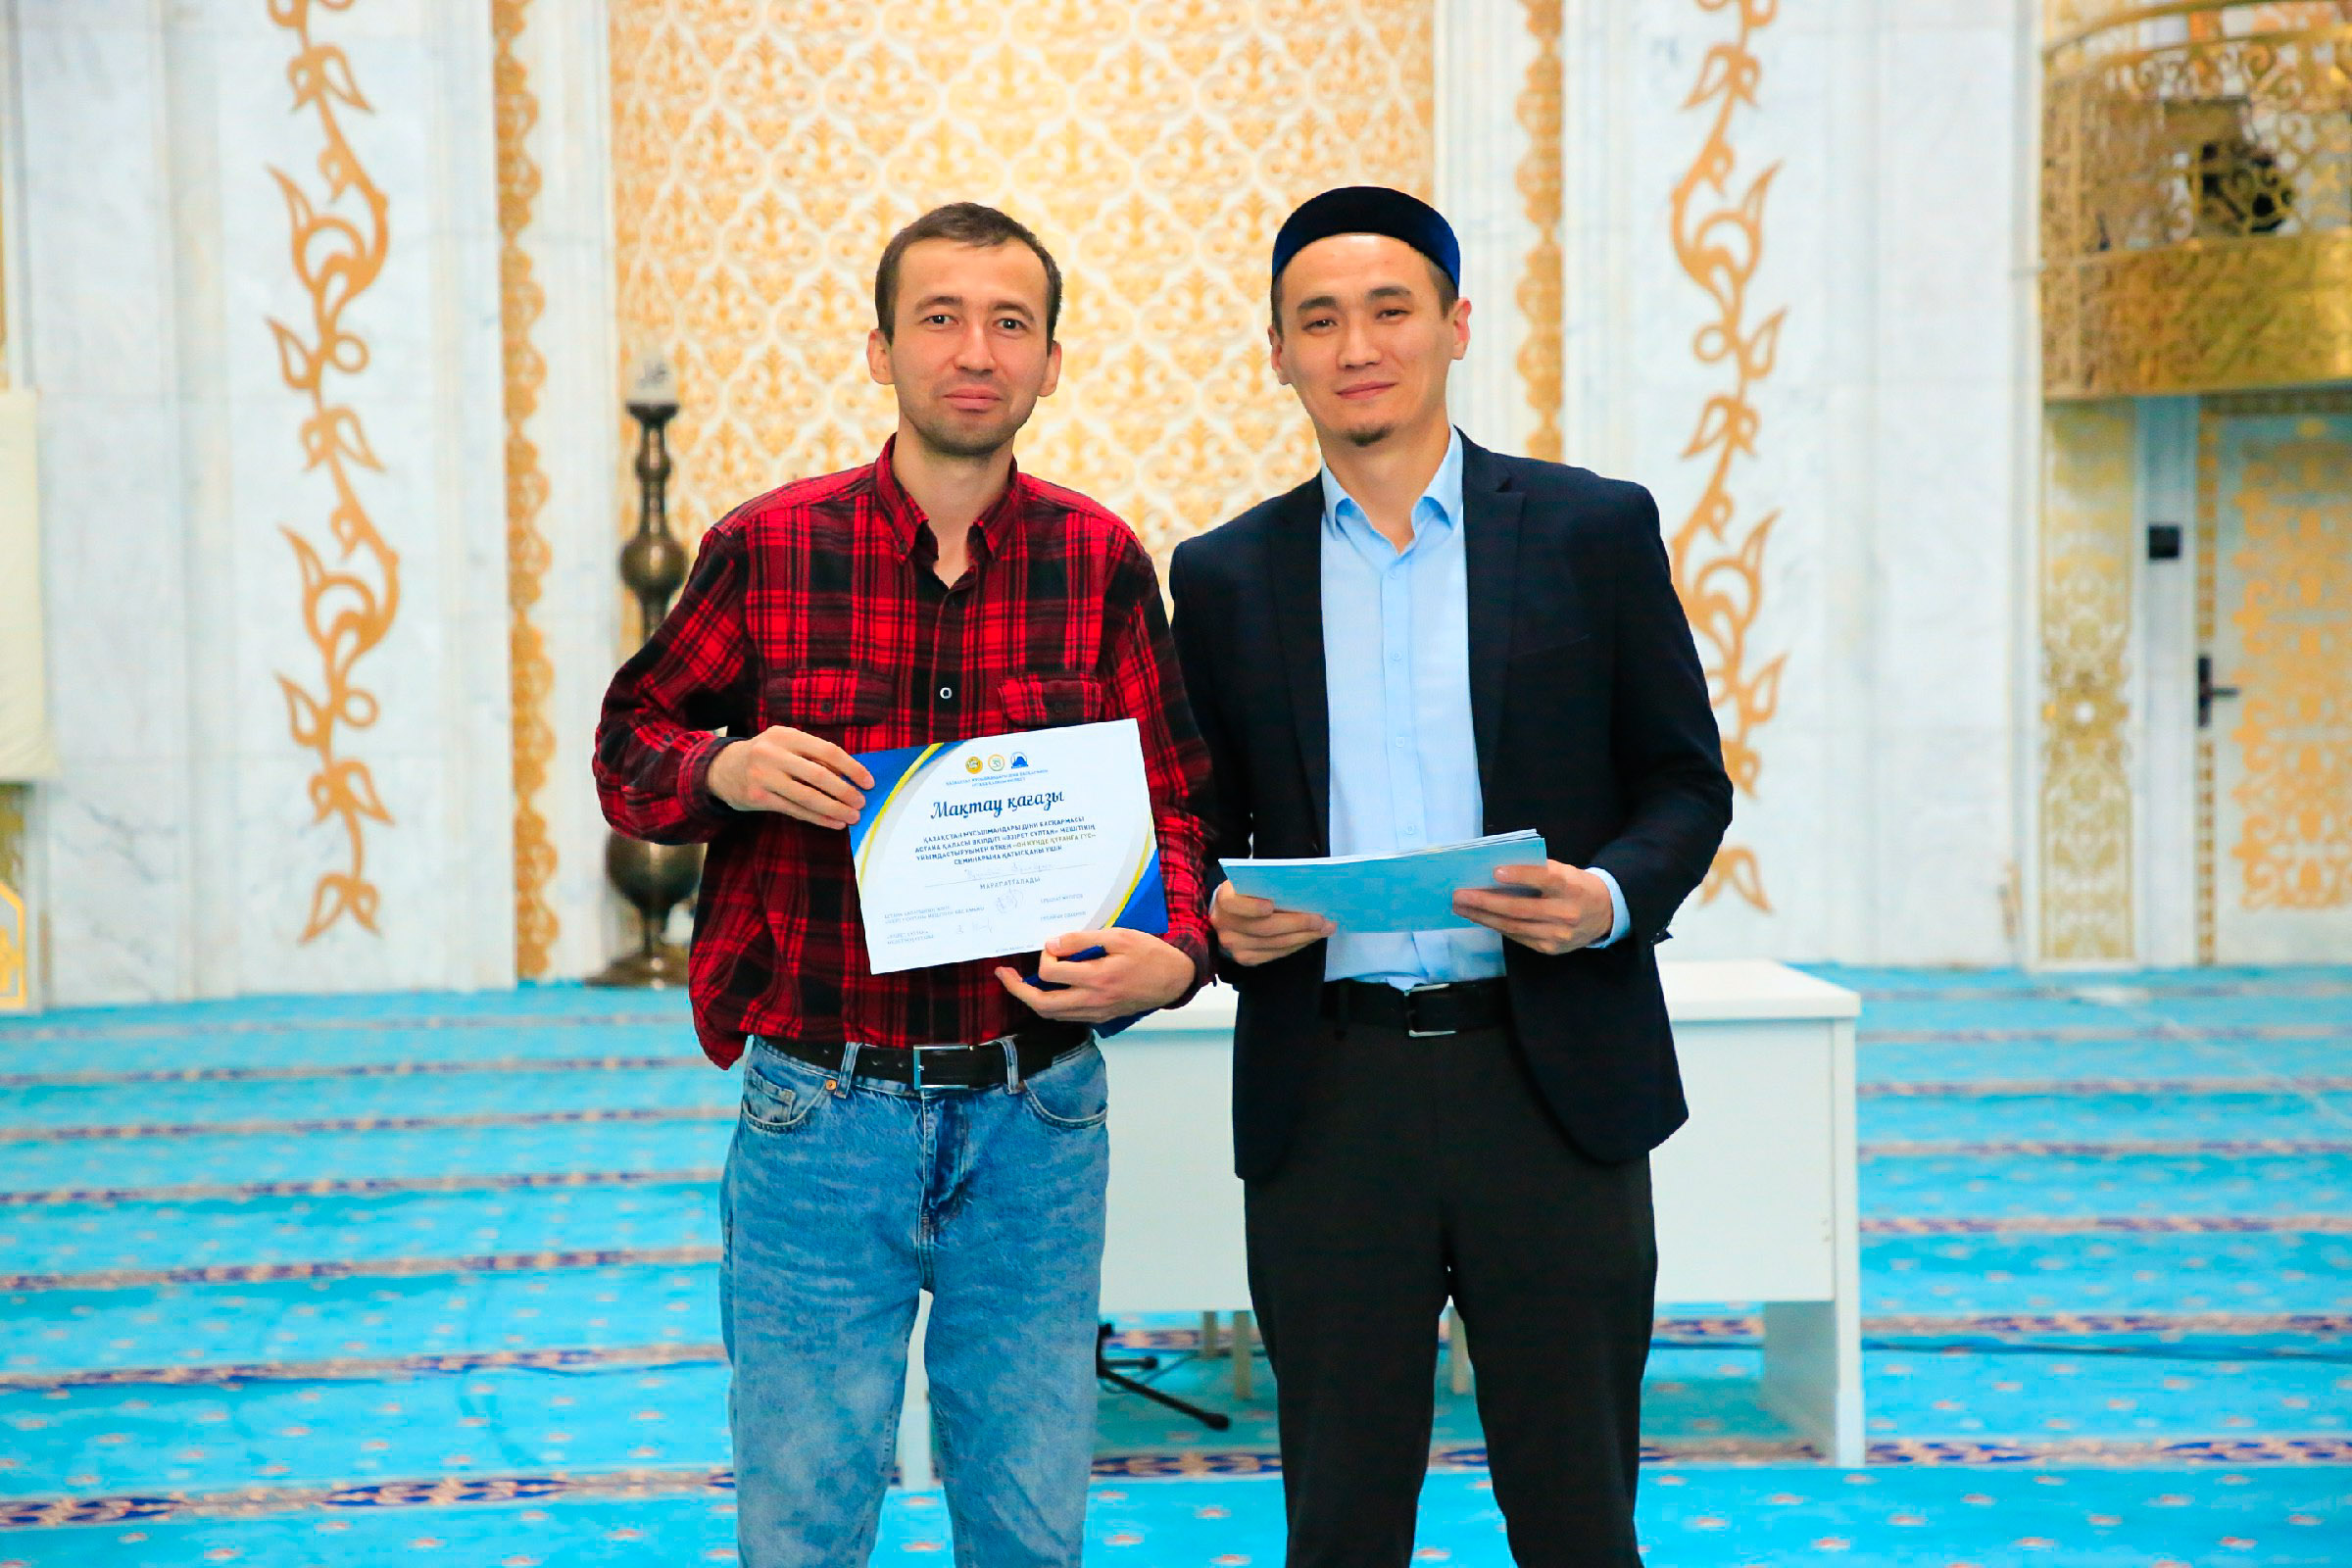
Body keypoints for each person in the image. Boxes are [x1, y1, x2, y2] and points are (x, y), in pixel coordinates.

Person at [594, 201, 1212, 1568]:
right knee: (803, 1524)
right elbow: (629, 753)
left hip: (1037, 1114)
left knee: (1031, 1526)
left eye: (1009, 323)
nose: (974, 351)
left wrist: (1178, 953)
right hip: (820, 1111)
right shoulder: (768, 548)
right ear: (881, 351)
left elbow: (1176, 804)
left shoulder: (1099, 561)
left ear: (1052, 361)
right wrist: (728, 768)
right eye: (940, 318)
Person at [1166, 186, 1734, 1567]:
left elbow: (1684, 783)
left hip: (1549, 1082)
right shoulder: (1225, 576)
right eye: (1319, 320)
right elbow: (1196, 825)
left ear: (1456, 324)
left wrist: (1607, 900)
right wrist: (1223, 918)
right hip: (1331, 1093)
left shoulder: (1591, 530)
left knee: (1578, 1515)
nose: (1357, 345)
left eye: (1390, 309)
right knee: (1341, 1521)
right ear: (1278, 352)